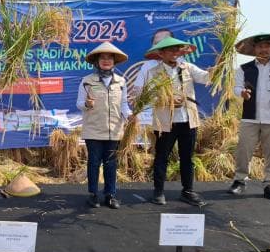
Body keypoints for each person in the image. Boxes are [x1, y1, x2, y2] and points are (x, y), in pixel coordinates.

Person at [143, 37, 209, 206]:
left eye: (177, 50)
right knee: (161, 156)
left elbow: (206, 78)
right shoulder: (154, 73)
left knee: (187, 157)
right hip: (166, 122)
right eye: (170, 50)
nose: (174, 53)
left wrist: (220, 63)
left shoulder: (188, 68)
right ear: (161, 53)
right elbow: (149, 97)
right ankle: (158, 191)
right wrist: (168, 101)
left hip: (188, 120)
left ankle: (188, 191)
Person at [77, 42, 132, 209]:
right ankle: (93, 195)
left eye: (110, 58)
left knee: (111, 163)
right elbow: (79, 104)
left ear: (114, 61)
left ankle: (110, 195)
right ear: (97, 61)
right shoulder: (86, 81)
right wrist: (87, 104)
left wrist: (131, 116)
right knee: (93, 162)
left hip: (114, 130)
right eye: (103, 58)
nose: (106, 61)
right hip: (93, 129)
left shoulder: (121, 82)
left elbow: (124, 105)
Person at [227, 33, 270, 201]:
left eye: (267, 46)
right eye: (260, 46)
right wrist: (242, 93)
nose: (264, 49)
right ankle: (240, 181)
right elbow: (236, 88)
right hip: (250, 117)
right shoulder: (244, 68)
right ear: (254, 49)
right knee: (244, 150)